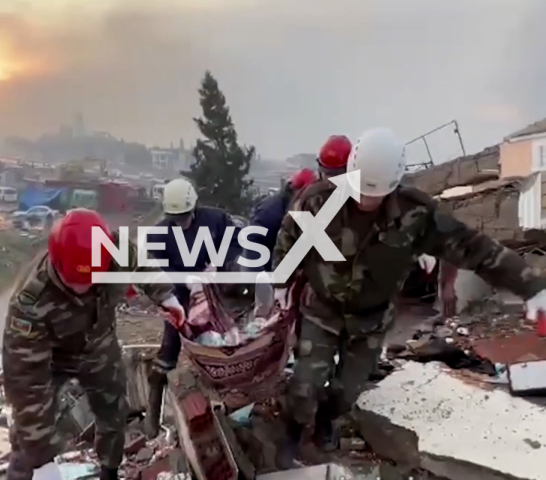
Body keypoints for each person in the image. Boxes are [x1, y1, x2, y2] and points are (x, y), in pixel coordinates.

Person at [272, 127, 546, 469]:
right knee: (305, 384)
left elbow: (475, 248)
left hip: (372, 319)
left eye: (375, 194)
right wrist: (280, 281)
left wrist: (531, 287)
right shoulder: (315, 200)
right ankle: (291, 435)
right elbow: (287, 240)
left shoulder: (416, 214)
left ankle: (327, 421)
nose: (364, 201)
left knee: (346, 391)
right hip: (321, 310)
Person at [3, 209, 185, 480]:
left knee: (113, 411)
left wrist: (166, 297)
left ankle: (109, 472)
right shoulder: (31, 302)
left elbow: (143, 265)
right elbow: (26, 387)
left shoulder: (115, 250)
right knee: (26, 434)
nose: (84, 288)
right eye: (75, 282)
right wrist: (42, 463)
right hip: (51, 358)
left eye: (91, 279)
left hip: (99, 345)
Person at [143, 178, 243, 438]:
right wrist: (184, 280)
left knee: (224, 346)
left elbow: (235, 244)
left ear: (194, 208)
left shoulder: (217, 220)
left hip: (215, 293)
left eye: (185, 216)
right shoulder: (160, 234)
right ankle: (152, 415)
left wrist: (220, 264)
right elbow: (156, 270)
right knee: (169, 348)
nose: (181, 222)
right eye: (176, 217)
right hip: (181, 297)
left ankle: (227, 411)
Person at [244, 135, 353, 272]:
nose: (331, 183)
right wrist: (261, 282)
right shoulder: (272, 212)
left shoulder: (341, 202)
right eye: (329, 175)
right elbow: (254, 244)